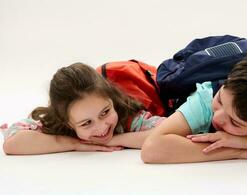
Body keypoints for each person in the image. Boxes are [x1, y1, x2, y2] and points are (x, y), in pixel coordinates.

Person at [140, 39, 247, 163]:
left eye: (235, 123)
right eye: (220, 102)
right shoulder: (207, 97)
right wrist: (237, 151)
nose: (218, 118)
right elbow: (152, 147)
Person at [1, 63, 165, 155]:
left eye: (105, 112)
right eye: (86, 123)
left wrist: (115, 140)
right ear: (67, 123)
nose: (102, 127)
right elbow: (12, 144)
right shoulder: (57, 121)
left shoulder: (126, 114)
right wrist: (76, 144)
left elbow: (169, 130)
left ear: (111, 100)